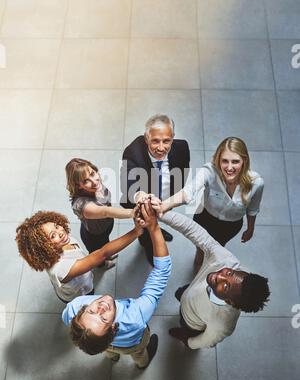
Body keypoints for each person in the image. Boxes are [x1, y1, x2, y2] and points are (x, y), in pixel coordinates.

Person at [62, 201, 172, 369]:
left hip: (105, 344)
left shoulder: (73, 309)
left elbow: (68, 318)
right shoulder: (136, 319)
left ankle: (112, 356)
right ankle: (142, 364)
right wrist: (154, 227)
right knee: (139, 352)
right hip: (132, 343)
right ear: (113, 328)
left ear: (82, 311)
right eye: (104, 318)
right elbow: (161, 272)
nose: (101, 307)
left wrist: (137, 231)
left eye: (91, 311)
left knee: (108, 348)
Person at [155, 210, 270, 349]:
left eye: (226, 286)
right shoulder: (226, 260)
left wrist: (189, 342)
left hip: (192, 323)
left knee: (185, 328)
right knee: (179, 293)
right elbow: (193, 230)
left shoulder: (223, 323)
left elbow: (207, 341)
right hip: (190, 291)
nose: (219, 275)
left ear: (229, 301)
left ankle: (183, 333)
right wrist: (160, 213)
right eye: (229, 273)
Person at [152, 137, 264, 272]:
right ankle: (198, 263)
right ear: (218, 159)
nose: (229, 168)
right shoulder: (209, 171)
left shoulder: (256, 183)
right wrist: (163, 205)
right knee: (200, 247)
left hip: (231, 226)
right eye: (224, 161)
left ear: (244, 161)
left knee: (218, 248)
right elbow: (187, 192)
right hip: (205, 218)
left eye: (235, 162)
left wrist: (250, 228)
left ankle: (207, 266)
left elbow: (252, 209)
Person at [16, 210, 142, 303]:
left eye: (56, 226)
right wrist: (136, 232)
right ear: (43, 247)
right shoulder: (61, 268)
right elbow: (101, 254)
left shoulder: (64, 241)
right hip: (78, 295)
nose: (60, 233)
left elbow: (92, 257)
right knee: (86, 305)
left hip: (82, 279)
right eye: (52, 236)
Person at [120, 114, 190, 265]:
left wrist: (172, 199)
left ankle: (158, 229)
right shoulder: (132, 152)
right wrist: (139, 195)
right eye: (155, 141)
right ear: (146, 139)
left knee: (158, 219)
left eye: (166, 141)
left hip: (165, 198)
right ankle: (148, 245)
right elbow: (127, 182)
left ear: (173, 137)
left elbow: (183, 171)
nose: (161, 147)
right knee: (145, 229)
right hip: (142, 202)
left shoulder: (182, 147)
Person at [66, 158, 136, 270]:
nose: (94, 181)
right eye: (85, 181)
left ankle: (107, 255)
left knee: (106, 244)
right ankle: (102, 265)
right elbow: (105, 211)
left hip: (104, 227)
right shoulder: (83, 205)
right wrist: (133, 212)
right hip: (94, 236)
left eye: (92, 174)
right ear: (78, 185)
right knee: (98, 254)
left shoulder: (95, 185)